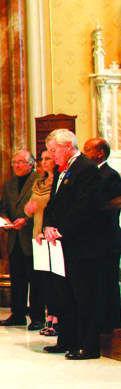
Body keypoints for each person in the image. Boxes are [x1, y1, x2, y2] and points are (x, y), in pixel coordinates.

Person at [42, 129, 105, 360]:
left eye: (54, 151)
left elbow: (83, 207)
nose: (52, 156)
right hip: (63, 243)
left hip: (82, 245)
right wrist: (47, 226)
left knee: (84, 295)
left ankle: (88, 345)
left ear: (68, 145)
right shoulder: (63, 171)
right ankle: (67, 339)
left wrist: (60, 230)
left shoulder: (86, 169)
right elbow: (52, 205)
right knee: (64, 294)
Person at [0, 150, 43, 328]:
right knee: (17, 279)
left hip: (31, 236)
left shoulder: (39, 180)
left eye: (21, 162)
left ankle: (38, 317)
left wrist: (26, 220)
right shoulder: (9, 184)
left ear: (31, 164)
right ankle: (17, 314)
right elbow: (4, 208)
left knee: (36, 280)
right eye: (14, 162)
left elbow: (42, 208)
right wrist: (6, 219)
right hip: (14, 237)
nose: (16, 165)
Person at [82, 138, 121, 333]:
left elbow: (110, 204)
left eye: (88, 150)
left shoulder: (110, 175)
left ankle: (112, 323)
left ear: (100, 153)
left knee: (108, 280)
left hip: (106, 239)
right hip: (93, 240)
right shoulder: (92, 174)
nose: (84, 153)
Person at [25, 150, 57, 336]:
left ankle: (56, 318)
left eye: (48, 158)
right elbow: (30, 208)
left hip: (52, 235)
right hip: (37, 234)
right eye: (42, 159)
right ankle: (47, 316)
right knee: (42, 279)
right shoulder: (38, 183)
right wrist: (29, 209)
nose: (44, 162)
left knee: (55, 280)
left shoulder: (60, 181)